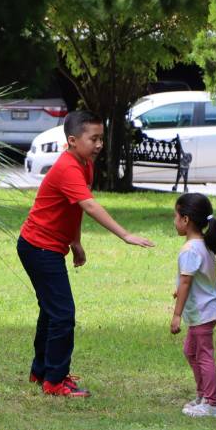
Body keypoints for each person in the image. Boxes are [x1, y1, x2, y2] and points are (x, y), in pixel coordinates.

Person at [17, 110, 155, 398]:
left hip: (43, 246)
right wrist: (125, 235)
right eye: (93, 139)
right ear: (72, 140)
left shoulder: (85, 165)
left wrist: (75, 242)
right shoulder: (68, 167)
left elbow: (74, 208)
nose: (99, 144)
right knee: (63, 315)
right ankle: (54, 381)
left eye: (101, 138)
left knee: (51, 311)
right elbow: (90, 206)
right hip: (39, 248)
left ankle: (40, 371)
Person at [170, 192, 216, 418]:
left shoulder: (190, 249)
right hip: (205, 309)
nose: (174, 221)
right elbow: (193, 279)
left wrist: (177, 315)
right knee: (190, 351)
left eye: (175, 216)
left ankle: (212, 405)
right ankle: (203, 396)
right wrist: (181, 290)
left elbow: (186, 281)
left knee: (203, 355)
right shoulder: (201, 244)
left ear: (186, 220)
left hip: (204, 312)